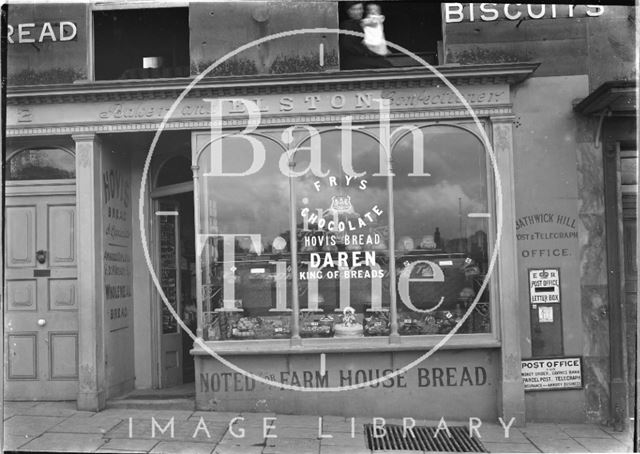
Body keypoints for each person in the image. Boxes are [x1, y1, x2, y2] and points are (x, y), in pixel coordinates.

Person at [339, 1, 392, 70]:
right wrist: (368, 52)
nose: (358, 12)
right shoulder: (347, 24)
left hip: (364, 57)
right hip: (354, 60)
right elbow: (347, 45)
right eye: (354, 9)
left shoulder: (364, 23)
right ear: (348, 11)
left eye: (360, 9)